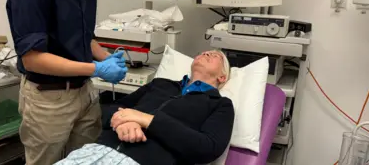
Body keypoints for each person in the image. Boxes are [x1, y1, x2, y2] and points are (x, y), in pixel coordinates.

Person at [5, 0, 127, 164]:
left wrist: (106, 58)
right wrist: (96, 69)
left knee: (87, 160)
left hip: (84, 94)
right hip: (48, 100)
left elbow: (85, 36)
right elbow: (33, 59)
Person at [55, 50, 235, 165]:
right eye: (205, 52)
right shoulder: (160, 84)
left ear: (222, 77)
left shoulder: (220, 104)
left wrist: (146, 120)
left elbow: (207, 148)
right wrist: (123, 120)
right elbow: (105, 109)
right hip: (96, 152)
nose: (206, 54)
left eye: (215, 56)